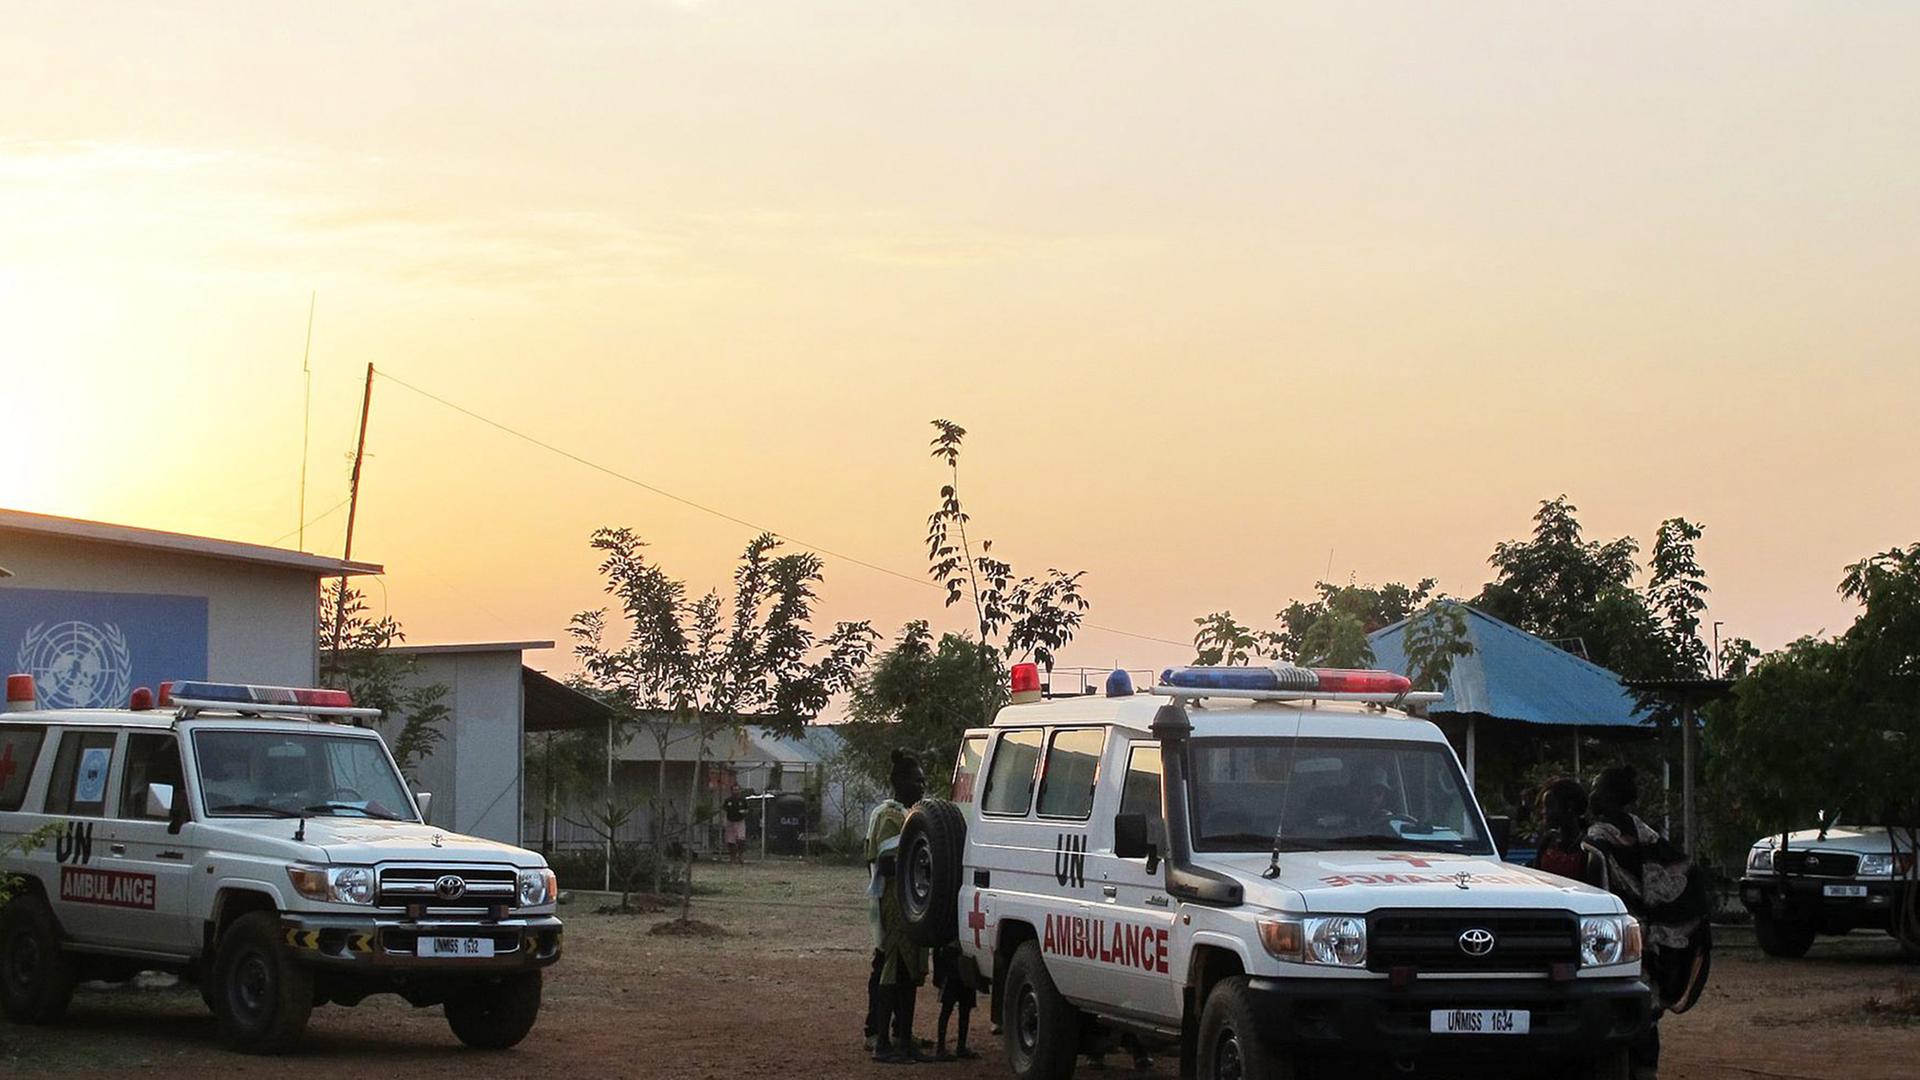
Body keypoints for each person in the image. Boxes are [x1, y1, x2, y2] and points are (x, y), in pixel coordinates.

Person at [1582, 765, 1712, 1080]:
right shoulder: (1645, 833)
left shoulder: (1597, 839)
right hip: (1648, 938)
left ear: (1611, 795)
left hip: (1614, 938)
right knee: (1645, 1012)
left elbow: (1594, 890)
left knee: (1618, 1011)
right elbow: (1682, 873)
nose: (1593, 792)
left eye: (1598, 786)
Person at [866, 749, 929, 1064]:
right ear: (900, 781)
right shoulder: (889, 816)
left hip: (910, 901)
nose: (922, 785)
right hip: (893, 901)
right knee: (891, 972)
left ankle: (904, 1039)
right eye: (917, 780)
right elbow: (885, 863)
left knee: (908, 973)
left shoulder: (909, 814)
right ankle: (882, 1043)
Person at [1529, 776, 1596, 882]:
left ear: (1569, 807)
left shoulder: (1589, 847)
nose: (1544, 812)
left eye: (1549, 806)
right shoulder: (1548, 841)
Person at [930, 942, 978, 1061]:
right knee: (951, 1007)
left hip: (959, 956)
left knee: (960, 1007)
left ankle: (954, 1047)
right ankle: (946, 1048)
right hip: (955, 958)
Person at [722, 784, 749, 865]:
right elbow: (724, 810)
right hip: (730, 821)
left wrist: (743, 812)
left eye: (737, 790)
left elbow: (747, 810)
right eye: (734, 790)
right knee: (730, 841)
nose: (736, 792)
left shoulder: (743, 800)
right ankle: (732, 858)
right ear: (731, 791)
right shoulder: (728, 800)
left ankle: (740, 856)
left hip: (740, 821)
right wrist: (723, 820)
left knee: (741, 839)